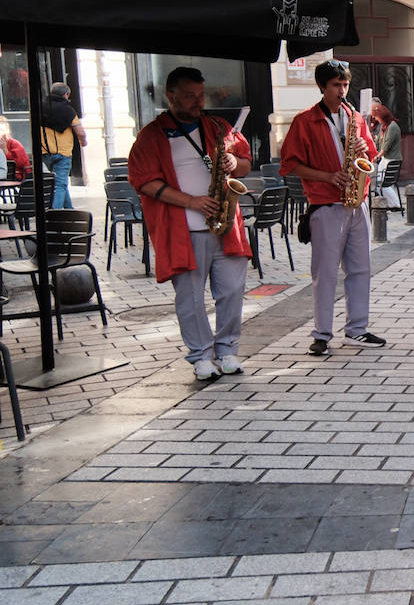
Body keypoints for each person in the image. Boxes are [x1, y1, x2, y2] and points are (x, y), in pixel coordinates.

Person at [127, 67, 252, 381]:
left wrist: (235, 163)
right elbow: (144, 182)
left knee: (233, 291)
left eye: (200, 95)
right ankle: (200, 356)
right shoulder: (151, 135)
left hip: (225, 225)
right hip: (182, 229)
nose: (198, 102)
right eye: (189, 97)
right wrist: (192, 201)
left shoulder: (217, 126)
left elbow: (247, 164)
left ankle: (226, 350)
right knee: (191, 298)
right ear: (171, 97)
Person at [279, 60, 385, 355]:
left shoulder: (354, 117)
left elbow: (371, 156)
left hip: (356, 201)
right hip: (326, 204)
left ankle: (357, 329)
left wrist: (365, 147)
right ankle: (322, 333)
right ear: (322, 87)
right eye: (336, 85)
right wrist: (327, 176)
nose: (342, 90)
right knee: (325, 273)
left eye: (345, 85)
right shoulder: (305, 121)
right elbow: (289, 165)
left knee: (361, 269)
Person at [39, 82, 86, 208]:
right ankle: (56, 215)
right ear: (65, 95)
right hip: (63, 153)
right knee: (60, 184)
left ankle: (69, 210)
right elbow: (80, 132)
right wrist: (83, 142)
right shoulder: (68, 110)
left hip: (45, 153)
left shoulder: (40, 107)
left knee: (60, 182)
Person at [370, 100, 402, 210]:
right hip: (385, 160)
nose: (376, 119)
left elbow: (386, 146)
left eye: (376, 117)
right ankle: (388, 203)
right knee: (380, 183)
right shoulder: (384, 127)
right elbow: (379, 143)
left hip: (391, 160)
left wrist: (377, 157)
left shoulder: (392, 127)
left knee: (384, 185)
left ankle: (395, 204)